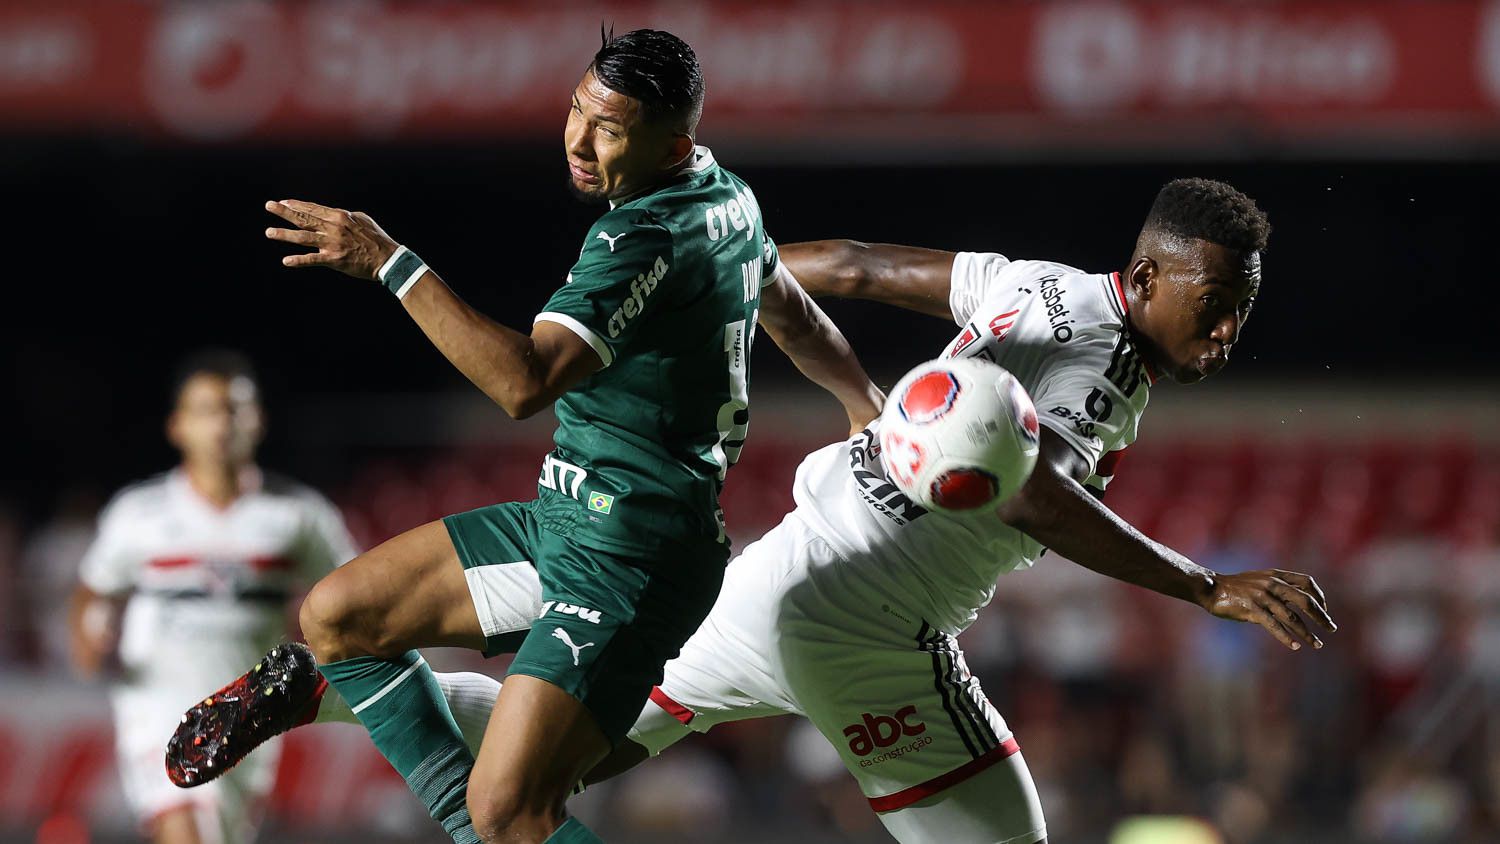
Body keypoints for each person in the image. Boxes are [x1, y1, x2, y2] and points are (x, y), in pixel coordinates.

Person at [172, 178, 1335, 842]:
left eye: (1245, 309)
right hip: (876, 634)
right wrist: (1202, 583)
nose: (1229, 330)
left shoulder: (1040, 285)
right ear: (1150, 274)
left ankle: (326, 687)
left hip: (775, 578)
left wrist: (738, 260)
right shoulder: (1085, 357)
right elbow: (1037, 505)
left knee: (576, 752)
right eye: (1217, 300)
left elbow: (868, 264)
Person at [171, 28, 881, 844]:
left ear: (671, 142)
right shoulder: (729, 198)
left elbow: (523, 383)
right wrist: (862, 398)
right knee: (337, 617)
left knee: (511, 809)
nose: (578, 141)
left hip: (632, 560)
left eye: (608, 129)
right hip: (568, 524)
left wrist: (391, 262)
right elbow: (789, 306)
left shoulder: (639, 235)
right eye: (577, 111)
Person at [68, 350, 356, 844]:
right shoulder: (139, 513)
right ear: (178, 426)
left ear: (257, 421)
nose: (221, 424)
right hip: (157, 702)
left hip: (251, 709)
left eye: (233, 409)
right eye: (205, 411)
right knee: (187, 830)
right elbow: (94, 590)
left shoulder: (299, 517)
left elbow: (354, 593)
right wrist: (89, 640)